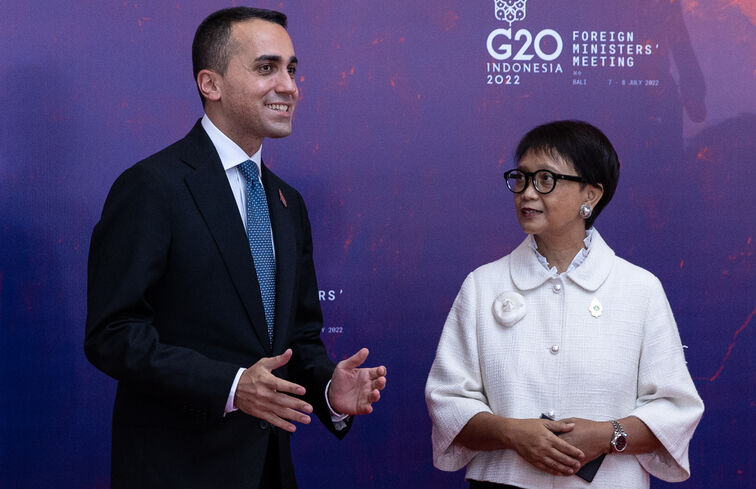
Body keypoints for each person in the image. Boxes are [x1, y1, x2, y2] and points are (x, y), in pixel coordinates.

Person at [84, 7, 386, 489]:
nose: (288, 85)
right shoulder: (152, 187)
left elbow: (298, 340)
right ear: (211, 84)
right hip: (175, 470)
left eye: (292, 69)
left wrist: (329, 387)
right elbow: (113, 334)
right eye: (266, 68)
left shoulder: (288, 203)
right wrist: (230, 386)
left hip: (269, 470)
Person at [425, 120, 703, 488]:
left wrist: (607, 434)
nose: (527, 193)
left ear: (590, 195)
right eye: (521, 179)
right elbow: (448, 402)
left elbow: (675, 409)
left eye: (545, 180)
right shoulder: (482, 285)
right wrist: (512, 432)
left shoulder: (639, 289)